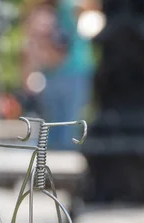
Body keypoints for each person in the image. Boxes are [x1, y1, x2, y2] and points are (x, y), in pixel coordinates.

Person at [21, 0, 95, 150]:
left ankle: (55, 160)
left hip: (66, 71)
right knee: (63, 125)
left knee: (60, 125)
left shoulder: (61, 7)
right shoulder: (61, 7)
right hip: (64, 72)